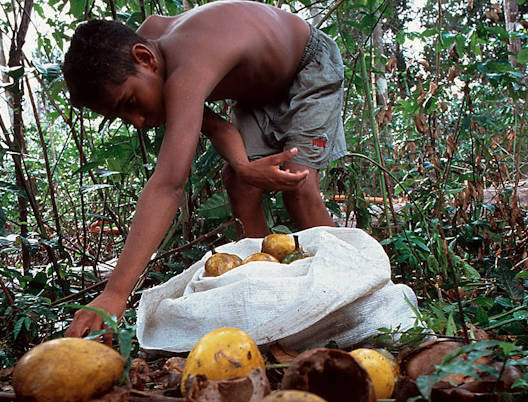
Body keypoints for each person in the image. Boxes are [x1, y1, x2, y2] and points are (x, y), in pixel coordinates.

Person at [61, 0, 346, 339]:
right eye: (122, 116)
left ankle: (352, 293)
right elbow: (221, 130)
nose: (137, 122)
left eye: (130, 103)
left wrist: (115, 293)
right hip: (256, 94)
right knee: (241, 186)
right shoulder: (145, 55)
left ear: (145, 58)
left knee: (298, 187)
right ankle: (269, 298)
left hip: (307, 64)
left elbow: (168, 185)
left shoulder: (186, 66)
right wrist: (243, 166)